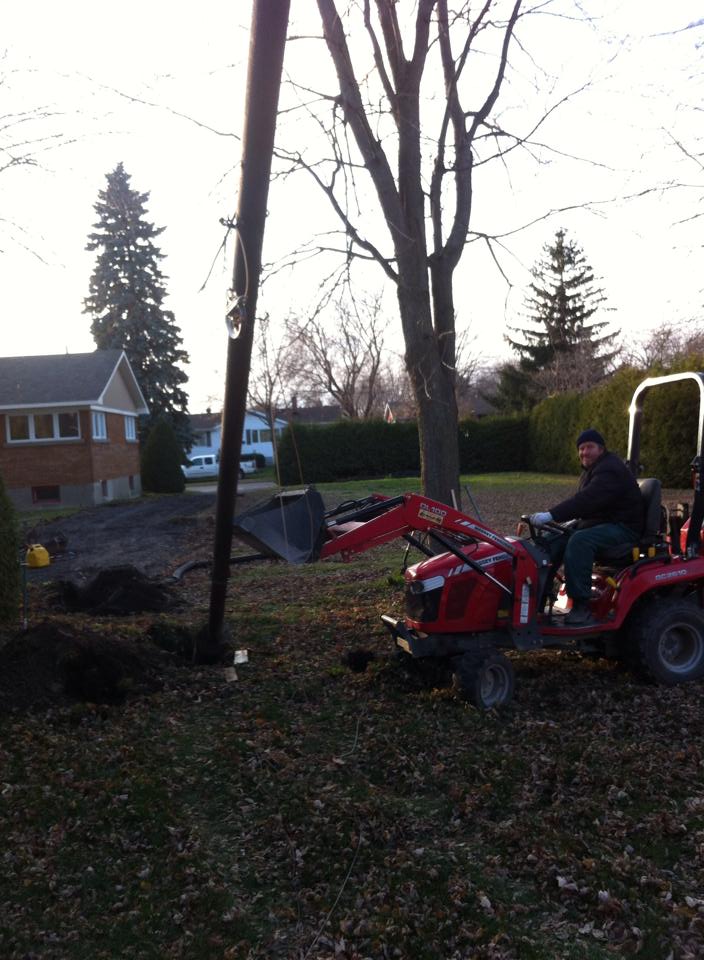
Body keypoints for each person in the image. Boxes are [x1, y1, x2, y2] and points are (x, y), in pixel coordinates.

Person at [529, 428, 644, 627]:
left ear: (601, 449)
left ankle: (581, 607)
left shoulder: (610, 469)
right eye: (581, 449)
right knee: (552, 539)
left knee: (580, 541)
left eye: (589, 447)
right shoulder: (593, 470)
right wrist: (564, 523)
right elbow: (591, 506)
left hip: (624, 528)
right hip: (606, 522)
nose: (584, 452)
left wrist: (551, 515)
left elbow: (587, 500)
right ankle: (535, 602)